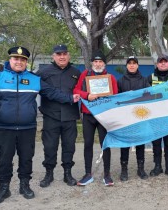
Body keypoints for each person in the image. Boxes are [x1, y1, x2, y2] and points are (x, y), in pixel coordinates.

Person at [0, 46, 79, 205]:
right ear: (10, 60)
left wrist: (71, 98)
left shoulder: (34, 79)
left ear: (26, 62)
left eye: (22, 59)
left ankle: (24, 185)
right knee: (4, 159)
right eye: (16, 59)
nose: (19, 62)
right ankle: (3, 188)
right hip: (5, 127)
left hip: (27, 127)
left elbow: (52, 93)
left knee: (26, 158)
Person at [36, 44, 81, 188]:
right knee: (49, 146)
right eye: (58, 54)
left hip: (70, 117)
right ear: (53, 56)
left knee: (69, 147)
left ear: (69, 56)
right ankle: (49, 174)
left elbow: (84, 90)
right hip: (51, 116)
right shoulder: (42, 72)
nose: (62, 57)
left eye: (64, 54)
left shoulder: (76, 72)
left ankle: (68, 174)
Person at [73, 50, 118, 186]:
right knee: (87, 144)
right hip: (88, 115)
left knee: (105, 144)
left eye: (100, 62)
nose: (98, 64)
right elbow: (76, 90)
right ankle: (88, 174)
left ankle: (107, 174)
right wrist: (87, 95)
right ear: (92, 63)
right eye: (96, 61)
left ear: (104, 63)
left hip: (103, 116)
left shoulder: (110, 77)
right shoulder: (85, 75)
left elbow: (115, 95)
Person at [117, 56, 150, 181]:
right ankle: (124, 169)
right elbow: (116, 98)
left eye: (134, 63)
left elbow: (148, 95)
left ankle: (140, 169)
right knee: (124, 143)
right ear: (126, 66)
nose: (132, 65)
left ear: (137, 65)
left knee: (140, 142)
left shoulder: (144, 80)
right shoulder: (120, 81)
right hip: (125, 117)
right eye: (129, 63)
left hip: (140, 115)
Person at [147, 54, 168, 178]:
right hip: (155, 118)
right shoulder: (150, 78)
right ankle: (157, 167)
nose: (163, 64)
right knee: (156, 144)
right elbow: (144, 95)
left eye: (165, 62)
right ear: (157, 64)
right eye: (161, 62)